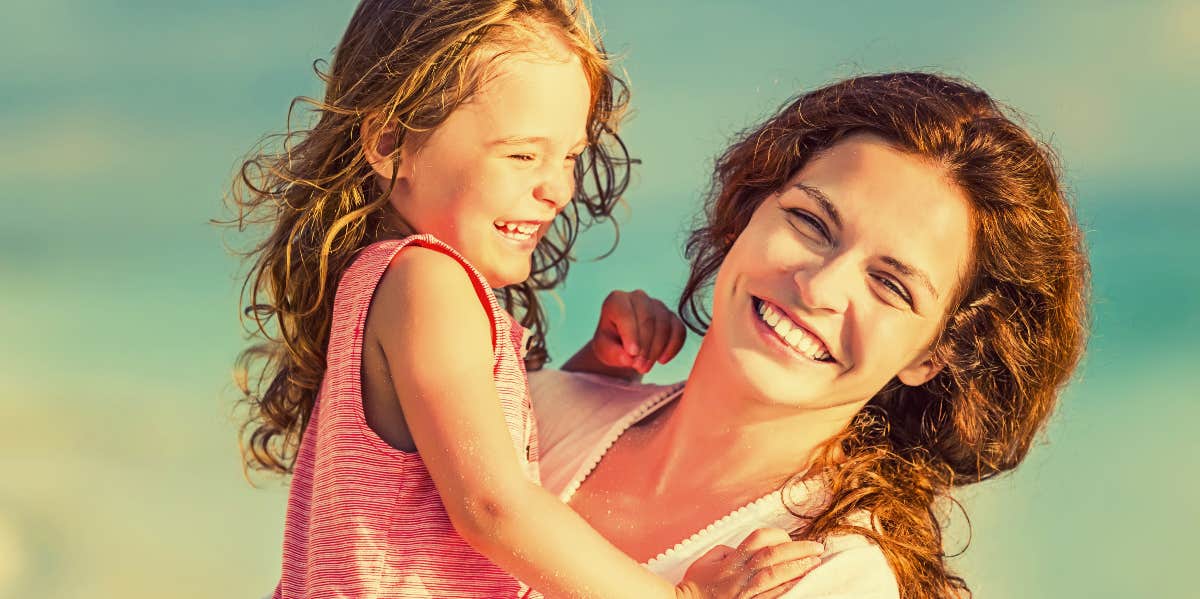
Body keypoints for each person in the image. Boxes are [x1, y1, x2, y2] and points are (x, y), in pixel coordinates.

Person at [226, 1, 821, 597]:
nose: (558, 187)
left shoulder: (388, 281)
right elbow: (492, 505)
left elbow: (458, 463)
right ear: (391, 144)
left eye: (568, 156)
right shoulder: (428, 281)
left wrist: (597, 368)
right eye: (521, 154)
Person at [532, 71, 1091, 599]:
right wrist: (587, 378)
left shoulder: (833, 577)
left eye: (891, 285)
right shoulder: (540, 407)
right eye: (811, 223)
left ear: (934, 356)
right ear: (746, 214)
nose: (821, 287)